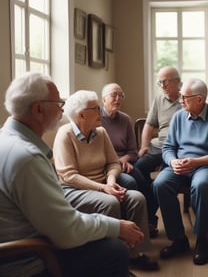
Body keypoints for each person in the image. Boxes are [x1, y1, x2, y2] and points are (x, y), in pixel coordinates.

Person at [0, 72, 144, 277]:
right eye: (58, 102)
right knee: (115, 251)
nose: (62, 108)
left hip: (29, 242)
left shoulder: (7, 140)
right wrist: (116, 226)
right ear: (38, 109)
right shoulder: (27, 157)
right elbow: (66, 232)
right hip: (29, 260)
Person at [53, 90, 159, 271]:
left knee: (137, 198)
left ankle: (134, 253)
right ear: (81, 115)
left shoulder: (100, 132)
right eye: (96, 108)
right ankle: (112, 257)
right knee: (110, 202)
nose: (100, 111)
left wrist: (110, 181)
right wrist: (103, 188)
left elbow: (113, 163)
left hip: (103, 184)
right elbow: (69, 176)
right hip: (74, 189)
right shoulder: (65, 135)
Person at [153, 78, 208, 265]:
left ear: (200, 99)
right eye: (181, 96)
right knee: (159, 184)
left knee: (201, 184)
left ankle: (202, 238)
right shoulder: (179, 117)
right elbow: (168, 147)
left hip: (205, 166)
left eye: (185, 97)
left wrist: (196, 162)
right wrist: (172, 162)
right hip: (180, 165)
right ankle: (178, 239)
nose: (180, 100)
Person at [101, 83, 159, 238]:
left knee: (148, 184)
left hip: (125, 162)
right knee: (131, 183)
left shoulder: (125, 119)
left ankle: (149, 221)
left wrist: (124, 159)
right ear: (103, 99)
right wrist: (116, 161)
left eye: (121, 95)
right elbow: (97, 151)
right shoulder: (97, 119)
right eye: (114, 95)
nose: (118, 98)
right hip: (106, 165)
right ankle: (129, 226)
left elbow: (133, 151)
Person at [134, 66, 181, 184]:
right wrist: (144, 146)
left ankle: (159, 191)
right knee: (139, 166)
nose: (162, 86)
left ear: (177, 82)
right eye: (160, 82)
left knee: (164, 178)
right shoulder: (159, 99)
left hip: (178, 149)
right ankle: (151, 199)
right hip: (159, 146)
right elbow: (149, 124)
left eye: (165, 82)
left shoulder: (186, 99)